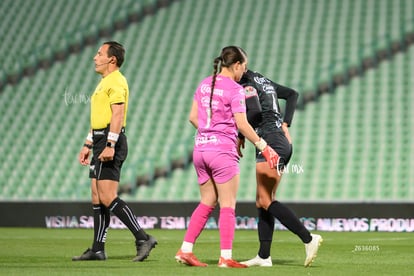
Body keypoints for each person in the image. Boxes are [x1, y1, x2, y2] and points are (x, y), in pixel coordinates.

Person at [175, 46, 279, 268]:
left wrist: (210, 131)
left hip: (200, 149)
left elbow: (193, 117)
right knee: (228, 205)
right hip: (222, 151)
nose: (245, 71)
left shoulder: (204, 83)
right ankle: (225, 257)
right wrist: (264, 146)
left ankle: (185, 250)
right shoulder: (235, 89)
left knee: (206, 202)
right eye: (244, 67)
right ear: (237, 65)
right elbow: (242, 124)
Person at [73, 41, 157, 262]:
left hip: (111, 142)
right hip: (100, 139)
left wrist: (110, 144)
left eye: (99, 53)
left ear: (112, 59)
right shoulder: (104, 82)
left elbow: (117, 115)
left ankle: (143, 238)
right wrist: (87, 144)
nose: (94, 57)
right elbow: (99, 119)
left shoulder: (117, 81)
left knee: (108, 196)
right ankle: (97, 249)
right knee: (97, 195)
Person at [237, 70, 323, 267]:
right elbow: (292, 94)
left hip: (269, 140)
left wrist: (240, 134)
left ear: (237, 67)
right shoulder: (264, 80)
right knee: (263, 201)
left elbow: (254, 112)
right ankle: (264, 256)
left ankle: (308, 239)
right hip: (279, 139)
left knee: (265, 200)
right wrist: (286, 124)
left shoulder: (246, 85)